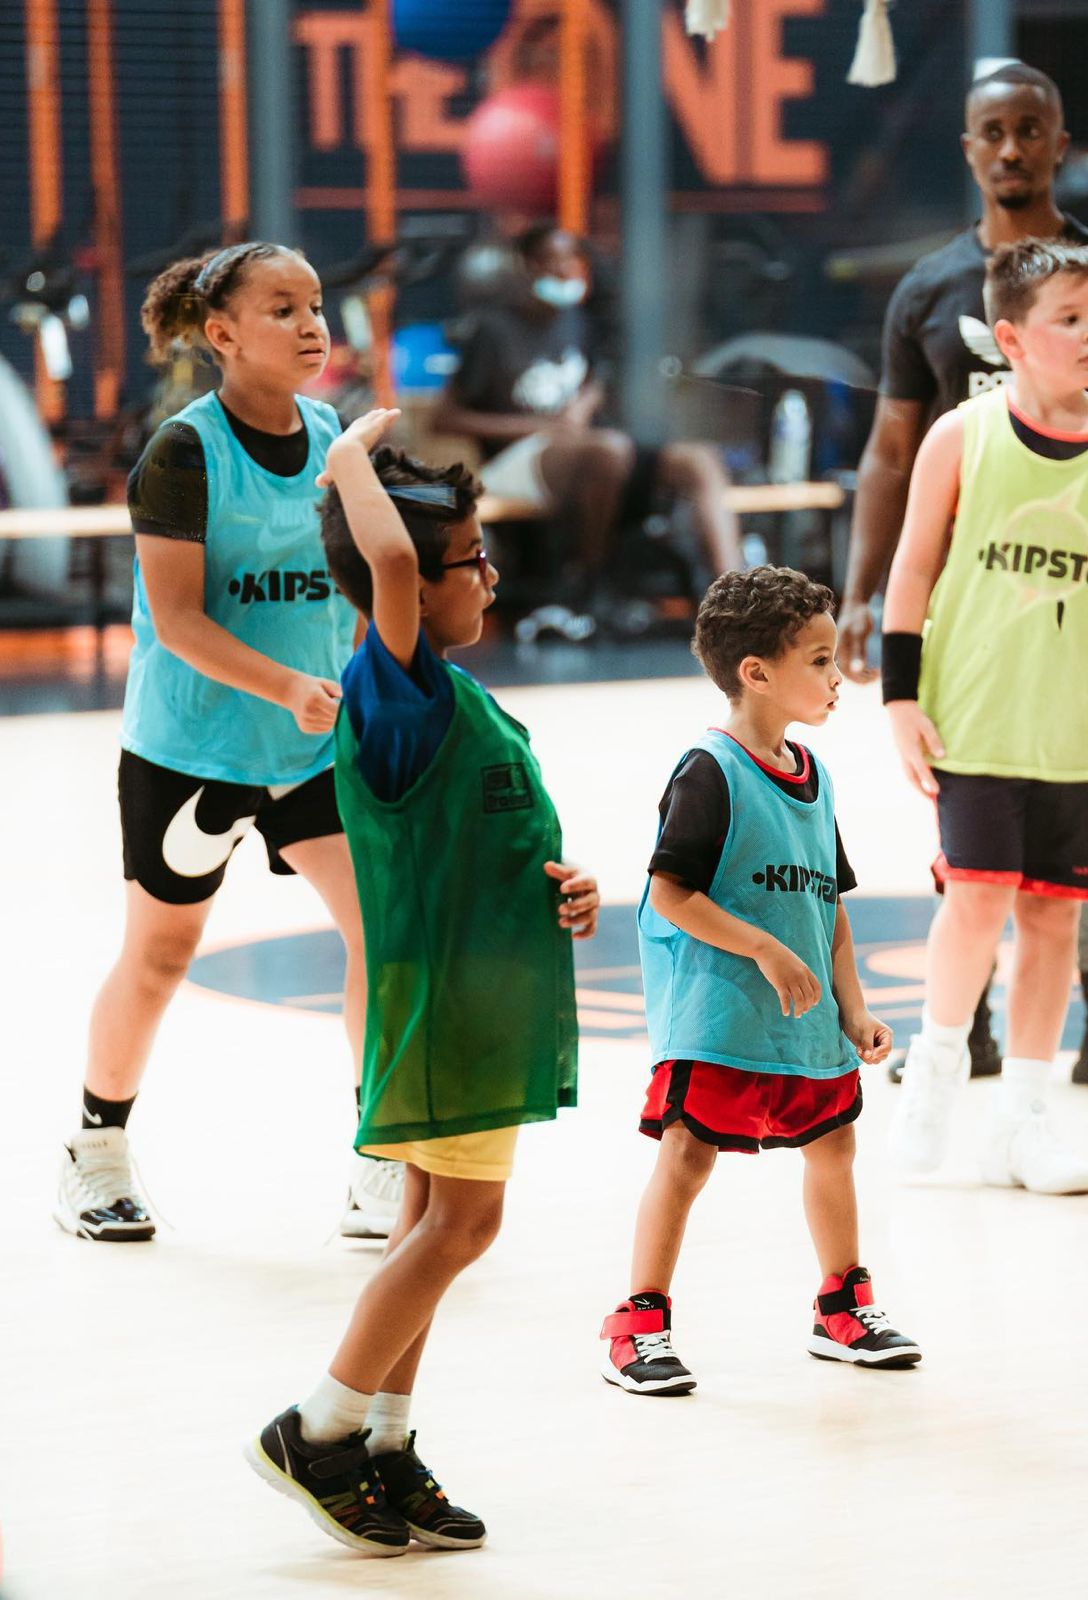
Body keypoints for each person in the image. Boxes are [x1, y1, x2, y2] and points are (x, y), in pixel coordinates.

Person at [246, 410, 598, 1555]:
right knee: (465, 1225)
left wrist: (562, 891)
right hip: (447, 1005)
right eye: (473, 560)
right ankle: (321, 1424)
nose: (488, 572)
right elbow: (389, 557)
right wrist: (346, 451)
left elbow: (484, 840)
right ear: (410, 584)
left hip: (480, 996)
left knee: (425, 1224)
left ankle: (387, 1443)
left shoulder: (453, 692)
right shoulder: (390, 686)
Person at [53, 241, 399, 1244]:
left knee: (383, 935)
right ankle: (95, 1151)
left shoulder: (333, 436)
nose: (309, 324)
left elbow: (350, 585)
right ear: (221, 335)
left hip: (309, 751)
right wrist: (290, 682)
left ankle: (379, 1152)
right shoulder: (183, 452)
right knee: (160, 955)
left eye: (315, 304)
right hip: (192, 750)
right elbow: (177, 618)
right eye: (281, 307)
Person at [839, 62, 1088, 1095]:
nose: (1011, 148)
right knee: (975, 846)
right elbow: (889, 451)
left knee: (1086, 811)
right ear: (969, 148)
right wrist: (863, 593)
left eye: (1031, 130)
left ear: (1060, 142)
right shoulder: (929, 289)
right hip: (972, 606)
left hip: (1084, 582)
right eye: (992, 132)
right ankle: (958, 1031)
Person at [599, 567, 920, 1397]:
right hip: (723, 1014)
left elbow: (830, 908)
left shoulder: (814, 775)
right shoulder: (709, 768)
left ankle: (842, 1306)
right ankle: (638, 1323)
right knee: (686, 1153)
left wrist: (854, 1007)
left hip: (805, 1021)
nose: (837, 674)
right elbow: (671, 890)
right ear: (757, 672)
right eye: (820, 659)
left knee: (835, 1144)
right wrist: (765, 951)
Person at [883, 239, 1088, 1194]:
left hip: (1082, 729)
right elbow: (911, 568)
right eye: (1069, 319)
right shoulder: (962, 434)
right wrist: (901, 698)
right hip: (977, 718)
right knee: (977, 903)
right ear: (1011, 338)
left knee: (1049, 921)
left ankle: (1027, 1119)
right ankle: (938, 1075)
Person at [433, 223, 744, 604]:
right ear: (528, 267)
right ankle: (588, 580)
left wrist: (585, 402)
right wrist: (541, 426)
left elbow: (594, 379)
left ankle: (737, 595)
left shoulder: (579, 322)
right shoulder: (492, 331)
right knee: (608, 451)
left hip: (589, 449)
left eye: (572, 260)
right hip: (515, 461)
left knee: (700, 460)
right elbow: (444, 418)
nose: (566, 270)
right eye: (554, 260)